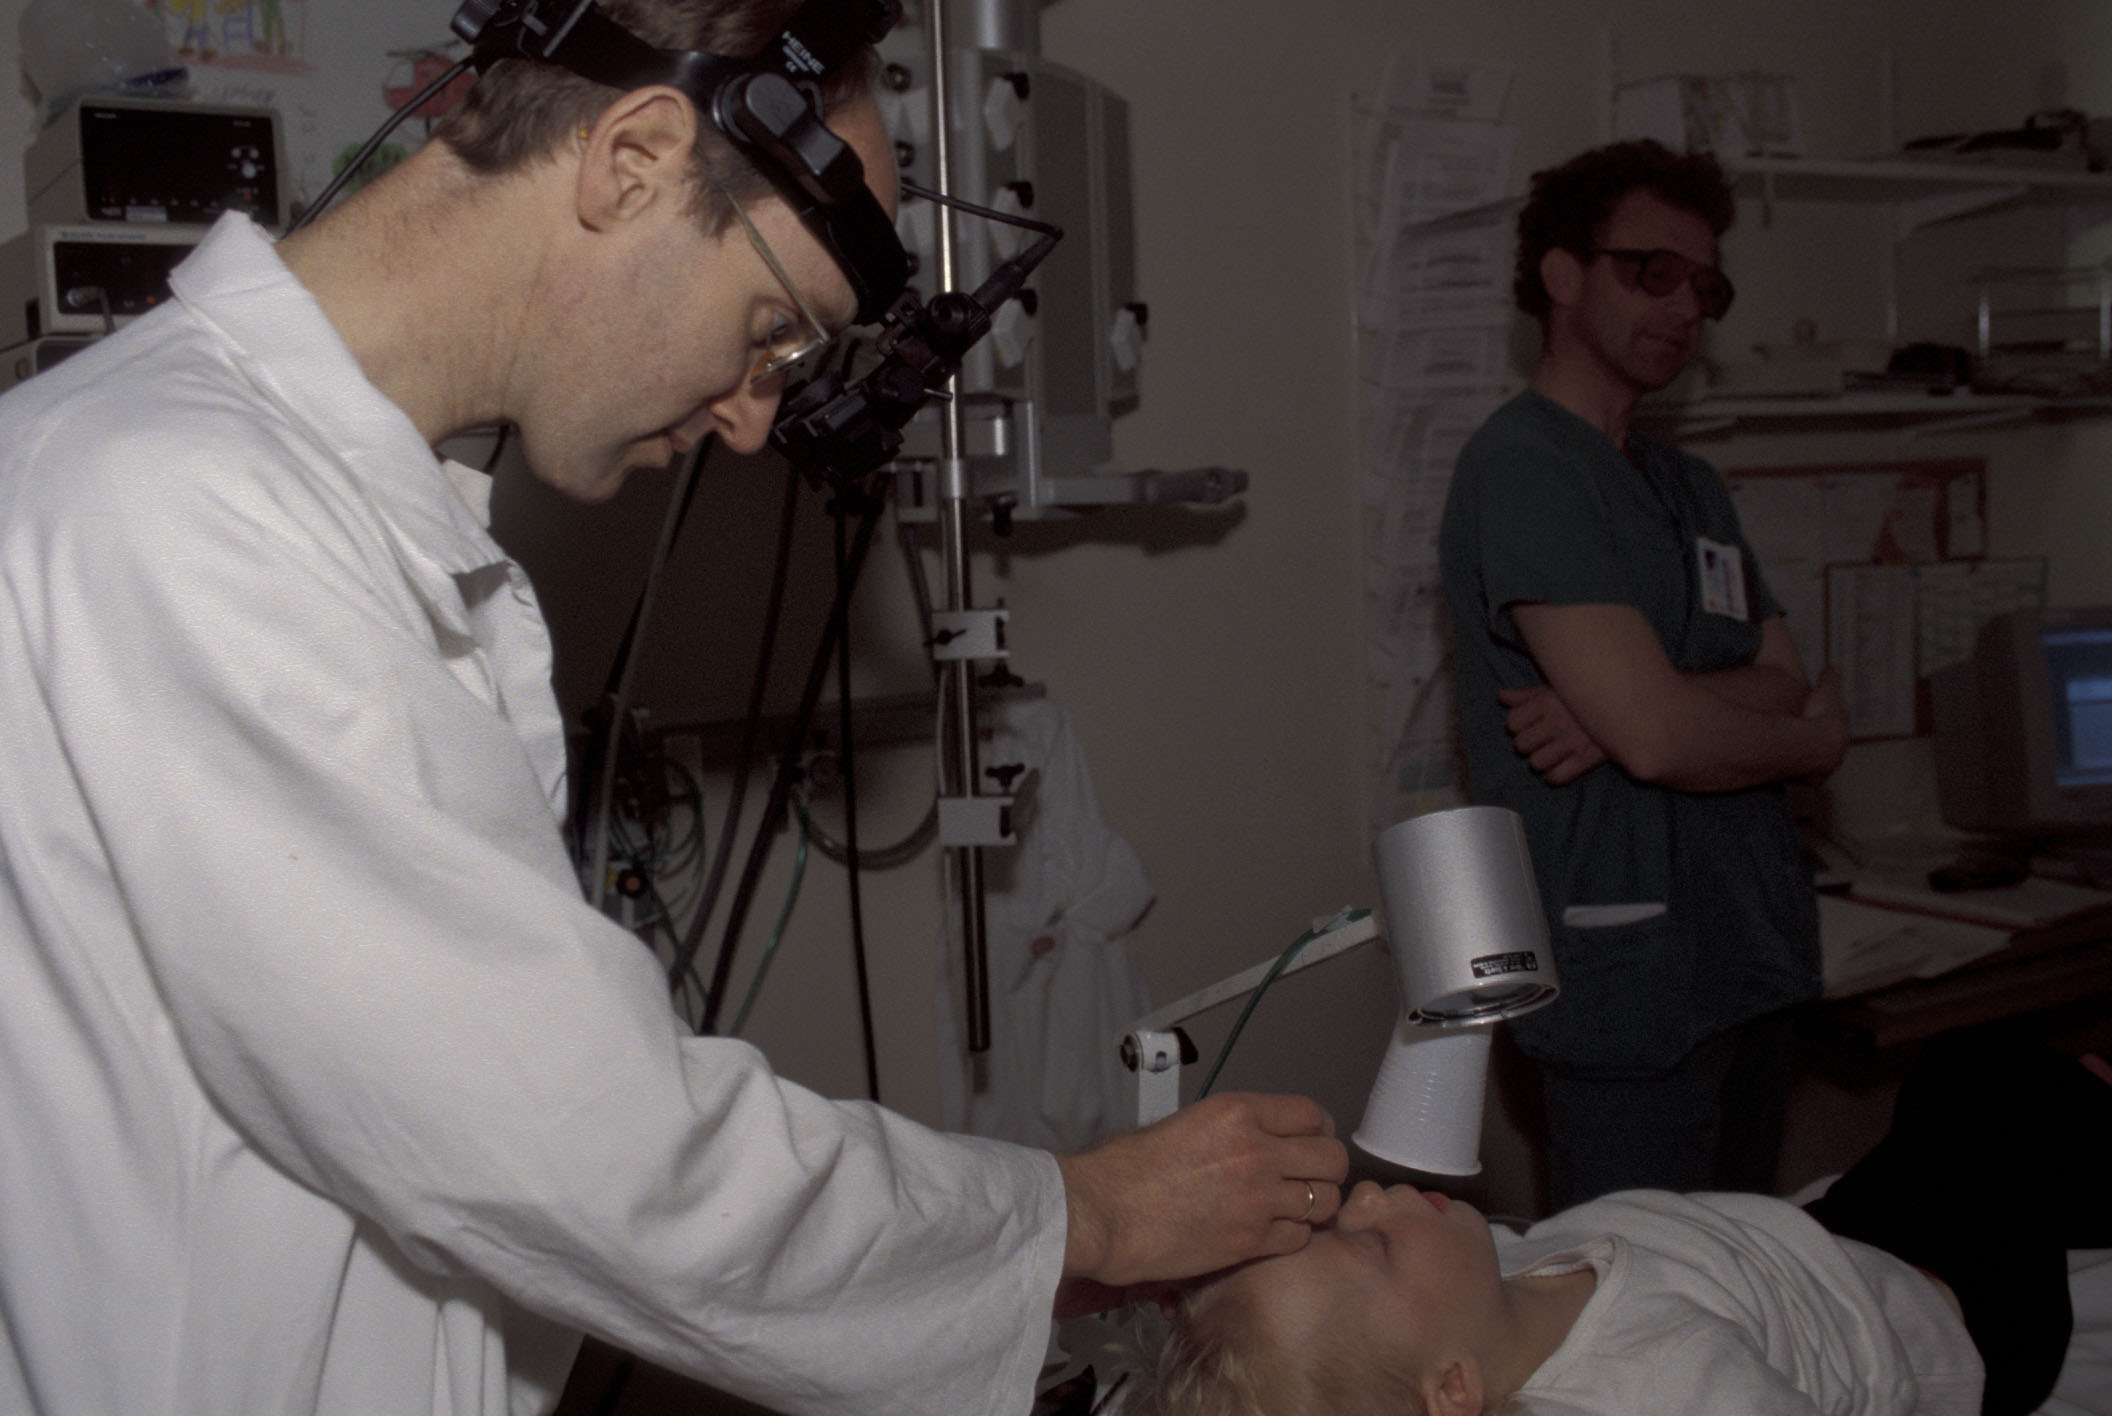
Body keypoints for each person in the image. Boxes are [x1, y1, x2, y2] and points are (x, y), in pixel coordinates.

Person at [0, 2, 1351, 1412]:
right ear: (633, 160)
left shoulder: (297, 502)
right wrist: (1092, 1217)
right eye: (773, 332)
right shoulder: (177, 510)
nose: (755, 422)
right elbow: (571, 1145)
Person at [1437, 139, 1848, 1207]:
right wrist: (1799, 742)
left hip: (1748, 960)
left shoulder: (1688, 483)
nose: (1684, 306)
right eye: (1651, 272)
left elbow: (1776, 676)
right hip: (1632, 986)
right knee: (1638, 1294)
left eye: (1705, 286)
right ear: (1561, 275)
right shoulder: (1525, 469)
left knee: (1748, 1276)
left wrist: (1632, 706)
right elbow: (1670, 743)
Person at [1147, 1032, 2112, 1416]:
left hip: (1827, 1244)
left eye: (1329, 1222)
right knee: (1997, 1086)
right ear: (1453, 1386)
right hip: (1956, 1311)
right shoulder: (1666, 1387)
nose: (1365, 1198)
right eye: (1372, 1242)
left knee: (1956, 1089)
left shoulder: (1486, 1289)